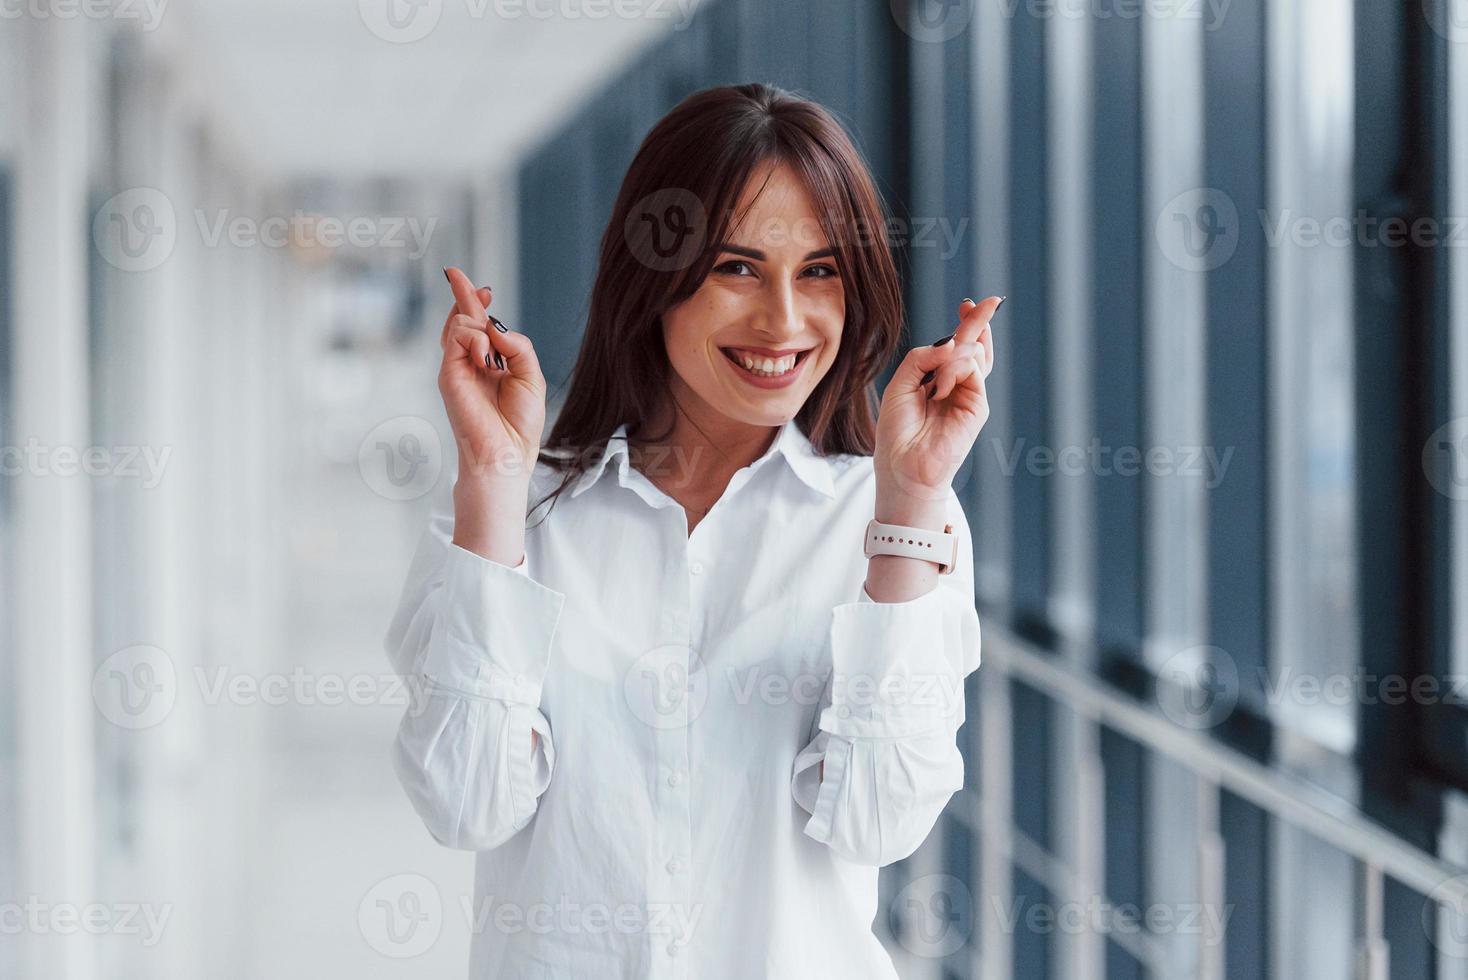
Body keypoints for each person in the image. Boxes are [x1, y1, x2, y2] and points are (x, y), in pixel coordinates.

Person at [385, 82, 997, 979]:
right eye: (737, 268)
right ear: (657, 281)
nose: (784, 322)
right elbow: (466, 805)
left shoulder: (892, 517)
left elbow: (882, 823)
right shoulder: (518, 510)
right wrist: (491, 481)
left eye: (820, 270)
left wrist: (905, 506)